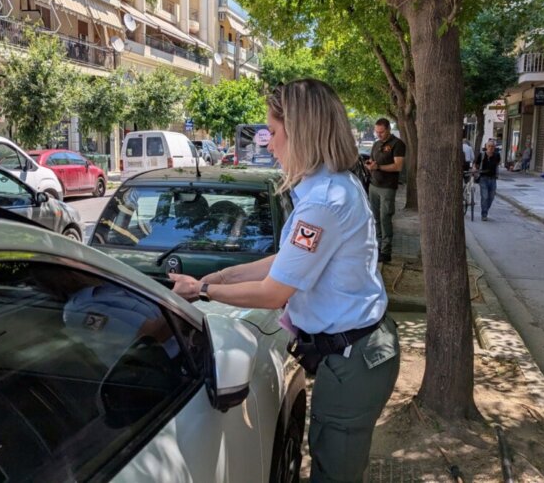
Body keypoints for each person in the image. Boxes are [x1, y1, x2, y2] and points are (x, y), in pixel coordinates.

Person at [170, 79, 399, 483]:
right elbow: (286, 262)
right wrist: (220, 276)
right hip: (355, 352)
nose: (269, 145)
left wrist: (203, 290)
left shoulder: (323, 202)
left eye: (273, 132)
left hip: (354, 358)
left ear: (301, 131)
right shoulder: (331, 185)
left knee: (333, 472)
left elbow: (275, 291)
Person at [365, 118, 406, 263]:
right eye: (377, 132)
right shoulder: (376, 144)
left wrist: (379, 167)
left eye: (381, 132)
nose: (378, 134)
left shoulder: (397, 144)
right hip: (374, 185)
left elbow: (398, 166)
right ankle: (378, 246)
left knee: (385, 218)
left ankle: (386, 251)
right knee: (375, 218)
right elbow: (372, 161)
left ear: (388, 129)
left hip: (387, 187)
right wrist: (370, 165)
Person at [474, 139, 501, 221]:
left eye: (492, 146)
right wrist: (475, 169)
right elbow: (476, 165)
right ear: (486, 147)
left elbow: (497, 165)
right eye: (489, 146)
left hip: (493, 179)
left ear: (494, 147)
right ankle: (484, 214)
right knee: (485, 197)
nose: (491, 148)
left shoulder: (497, 155)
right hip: (483, 178)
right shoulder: (482, 155)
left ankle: (485, 210)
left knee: (491, 197)